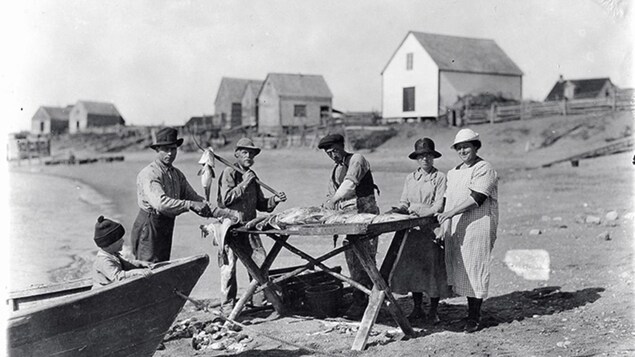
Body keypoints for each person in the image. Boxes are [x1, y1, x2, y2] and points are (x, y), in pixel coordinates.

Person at [131, 127, 235, 263]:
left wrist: (226, 215)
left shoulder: (177, 175)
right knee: (147, 270)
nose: (170, 153)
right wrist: (190, 205)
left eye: (173, 149)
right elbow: (161, 204)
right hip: (149, 226)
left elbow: (196, 199)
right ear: (157, 150)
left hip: (166, 225)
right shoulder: (150, 174)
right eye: (165, 149)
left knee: (162, 267)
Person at [437, 128, 499, 333]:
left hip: (478, 224)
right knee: (461, 267)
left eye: (467, 146)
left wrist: (451, 213)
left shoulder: (484, 168)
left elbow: (477, 198)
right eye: (459, 147)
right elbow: (447, 201)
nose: (463, 151)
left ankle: (474, 316)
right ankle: (468, 313)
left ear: (475, 147)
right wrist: (442, 223)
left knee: (475, 266)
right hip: (456, 224)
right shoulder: (453, 173)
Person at [217, 137, 287, 314]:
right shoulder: (229, 172)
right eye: (245, 152)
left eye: (252, 153)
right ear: (237, 154)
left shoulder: (252, 175)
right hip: (231, 227)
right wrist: (245, 182)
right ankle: (228, 307)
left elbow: (261, 204)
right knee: (229, 268)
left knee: (260, 262)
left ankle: (258, 302)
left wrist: (275, 200)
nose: (249, 156)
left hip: (250, 226)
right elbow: (225, 200)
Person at [318, 133, 380, 319]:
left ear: (341, 146)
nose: (332, 155)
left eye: (334, 150)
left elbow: (350, 184)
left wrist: (334, 199)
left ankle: (372, 301)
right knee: (352, 262)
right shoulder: (336, 170)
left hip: (365, 217)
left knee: (367, 259)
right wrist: (327, 206)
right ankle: (359, 299)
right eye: (329, 153)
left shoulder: (357, 160)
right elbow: (332, 195)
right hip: (346, 220)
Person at [389, 138, 450, 324]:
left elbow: (438, 205)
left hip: (431, 228)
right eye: (421, 156)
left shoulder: (440, 177)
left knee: (433, 270)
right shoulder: (410, 178)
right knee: (414, 269)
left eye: (428, 156)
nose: (425, 159)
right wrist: (399, 209)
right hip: (413, 229)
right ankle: (417, 308)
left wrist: (418, 211)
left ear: (433, 157)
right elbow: (404, 201)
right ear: (416, 158)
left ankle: (433, 310)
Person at [93, 215, 152, 288]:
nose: (123, 241)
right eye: (119, 240)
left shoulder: (112, 254)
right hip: (103, 293)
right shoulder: (104, 260)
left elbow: (126, 262)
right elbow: (117, 277)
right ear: (109, 244)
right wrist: (136, 272)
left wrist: (140, 263)